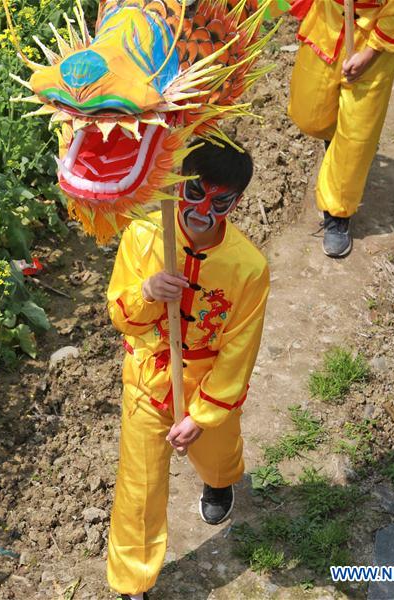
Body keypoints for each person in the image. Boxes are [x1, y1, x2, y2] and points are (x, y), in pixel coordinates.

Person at [105, 142, 270, 600]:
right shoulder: (143, 236)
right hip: (145, 379)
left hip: (207, 385)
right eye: (193, 192)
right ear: (179, 184)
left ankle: (220, 485)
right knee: (139, 488)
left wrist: (201, 415)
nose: (202, 209)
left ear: (236, 202)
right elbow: (122, 315)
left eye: (220, 201)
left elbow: (240, 349)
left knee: (218, 456)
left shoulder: (249, 268)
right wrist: (148, 290)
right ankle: (132, 584)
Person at [287, 0, 394, 257]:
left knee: (355, 137)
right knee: (309, 115)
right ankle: (338, 145)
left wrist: (371, 52)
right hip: (326, 24)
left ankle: (337, 211)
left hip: (372, 41)